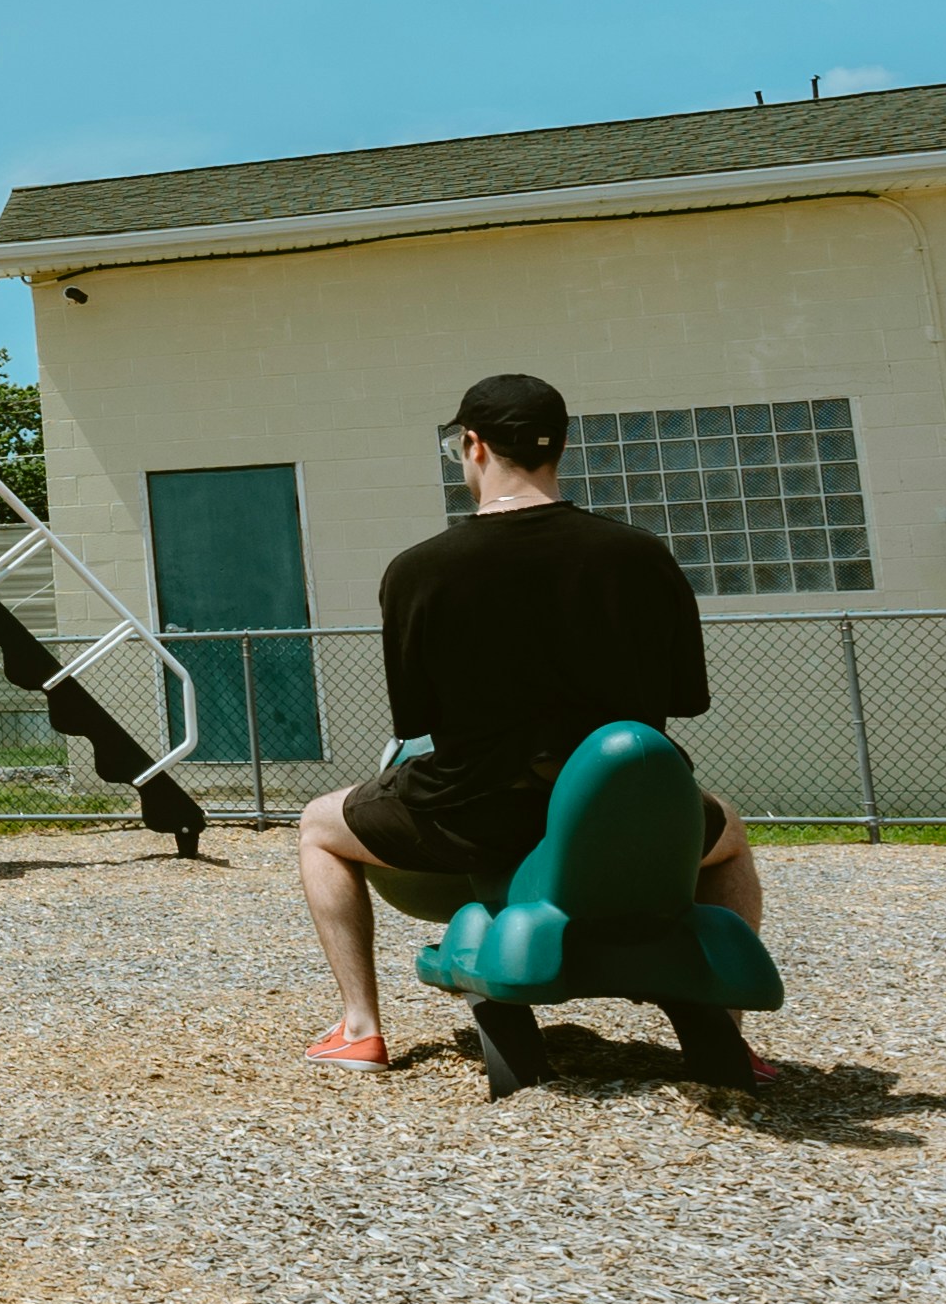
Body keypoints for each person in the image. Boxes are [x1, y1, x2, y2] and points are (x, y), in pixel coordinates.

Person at [291, 372, 766, 1071]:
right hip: (618, 822)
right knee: (726, 832)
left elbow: (416, 717)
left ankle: (360, 1025)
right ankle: (726, 1035)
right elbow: (683, 699)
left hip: (468, 815)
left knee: (317, 827)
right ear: (561, 449)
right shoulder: (640, 556)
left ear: (473, 445)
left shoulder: (421, 571)